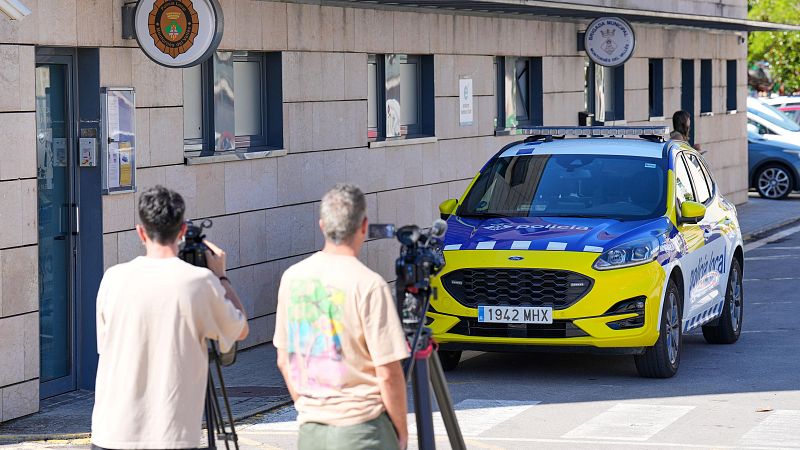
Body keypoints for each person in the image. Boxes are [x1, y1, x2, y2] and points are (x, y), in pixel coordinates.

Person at [91, 185, 249, 450]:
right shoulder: (200, 282)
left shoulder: (113, 278)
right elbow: (240, 328)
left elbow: (104, 345)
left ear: (141, 232)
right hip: (171, 434)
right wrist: (221, 275)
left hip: (111, 431)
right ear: (182, 231)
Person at [273, 184, 410, 450]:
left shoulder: (292, 278)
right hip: (363, 430)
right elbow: (388, 373)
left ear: (322, 225)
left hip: (311, 431)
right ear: (363, 226)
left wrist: (307, 406)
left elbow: (284, 360)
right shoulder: (369, 284)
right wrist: (401, 432)